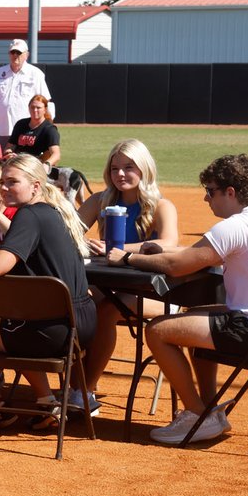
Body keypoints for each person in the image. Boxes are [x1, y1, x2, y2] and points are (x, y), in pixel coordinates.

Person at [110, 154, 248, 443]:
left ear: (231, 192)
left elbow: (179, 267)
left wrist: (127, 258)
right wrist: (160, 252)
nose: (205, 198)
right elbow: (196, 253)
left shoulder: (236, 227)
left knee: (157, 331)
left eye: (211, 191)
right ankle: (208, 411)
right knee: (195, 314)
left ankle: (195, 412)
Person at [0, 154, 94, 428]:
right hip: (78, 325)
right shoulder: (54, 210)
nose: (4, 188)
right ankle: (45, 401)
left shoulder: (29, 214)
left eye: (12, 182)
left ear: (35, 186)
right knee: (14, 321)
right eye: (2, 182)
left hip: (54, 330)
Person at [75, 139, 179, 413]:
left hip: (155, 292)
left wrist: (119, 249)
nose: (120, 174)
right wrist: (86, 244)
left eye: (129, 167)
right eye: (114, 168)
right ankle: (76, 387)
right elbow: (68, 233)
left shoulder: (161, 205)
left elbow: (170, 243)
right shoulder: (100, 200)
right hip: (110, 286)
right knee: (76, 305)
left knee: (106, 310)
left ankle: (84, 391)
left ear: (144, 169)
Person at [0, 39, 51, 148]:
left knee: (22, 164)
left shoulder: (36, 74)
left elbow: (45, 103)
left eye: (19, 53)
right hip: (1, 131)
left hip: (26, 132)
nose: (15, 55)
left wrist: (46, 129)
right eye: (12, 52)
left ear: (27, 55)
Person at [6, 94, 60, 166]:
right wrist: (8, 154)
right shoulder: (20, 124)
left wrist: (46, 165)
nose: (35, 110)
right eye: (32, 107)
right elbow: (9, 147)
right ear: (28, 108)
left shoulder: (49, 129)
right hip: (18, 163)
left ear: (45, 109)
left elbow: (56, 154)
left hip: (36, 166)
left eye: (38, 108)